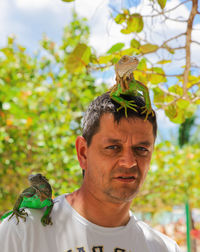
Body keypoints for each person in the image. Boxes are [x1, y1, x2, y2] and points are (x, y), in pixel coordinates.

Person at [0, 92, 181, 252]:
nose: (129, 162)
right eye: (113, 147)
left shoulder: (164, 248)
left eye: (141, 149)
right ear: (83, 153)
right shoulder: (23, 231)